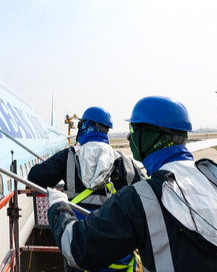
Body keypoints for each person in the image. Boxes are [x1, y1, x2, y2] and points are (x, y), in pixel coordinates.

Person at [47, 96, 217, 272]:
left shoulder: (141, 199)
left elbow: (78, 247)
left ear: (150, 137)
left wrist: (59, 207)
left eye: (134, 131)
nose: (129, 137)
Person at [28, 106, 144, 271]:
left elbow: (35, 177)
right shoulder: (125, 163)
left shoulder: (68, 156)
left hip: (79, 253)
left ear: (85, 126)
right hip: (118, 259)